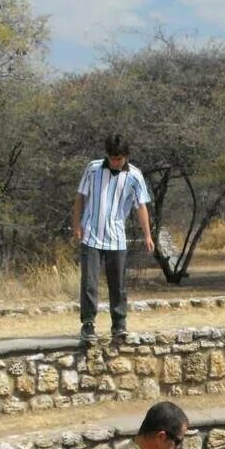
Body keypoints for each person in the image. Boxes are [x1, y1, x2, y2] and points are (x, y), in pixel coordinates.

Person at [73, 133, 154, 343]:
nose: (115, 162)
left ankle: (119, 324)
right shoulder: (93, 168)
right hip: (91, 234)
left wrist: (147, 235)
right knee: (89, 282)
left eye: (119, 158)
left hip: (117, 238)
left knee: (117, 284)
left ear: (126, 156)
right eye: (112, 158)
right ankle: (88, 325)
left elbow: (141, 206)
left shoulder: (135, 176)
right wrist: (77, 225)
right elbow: (80, 196)